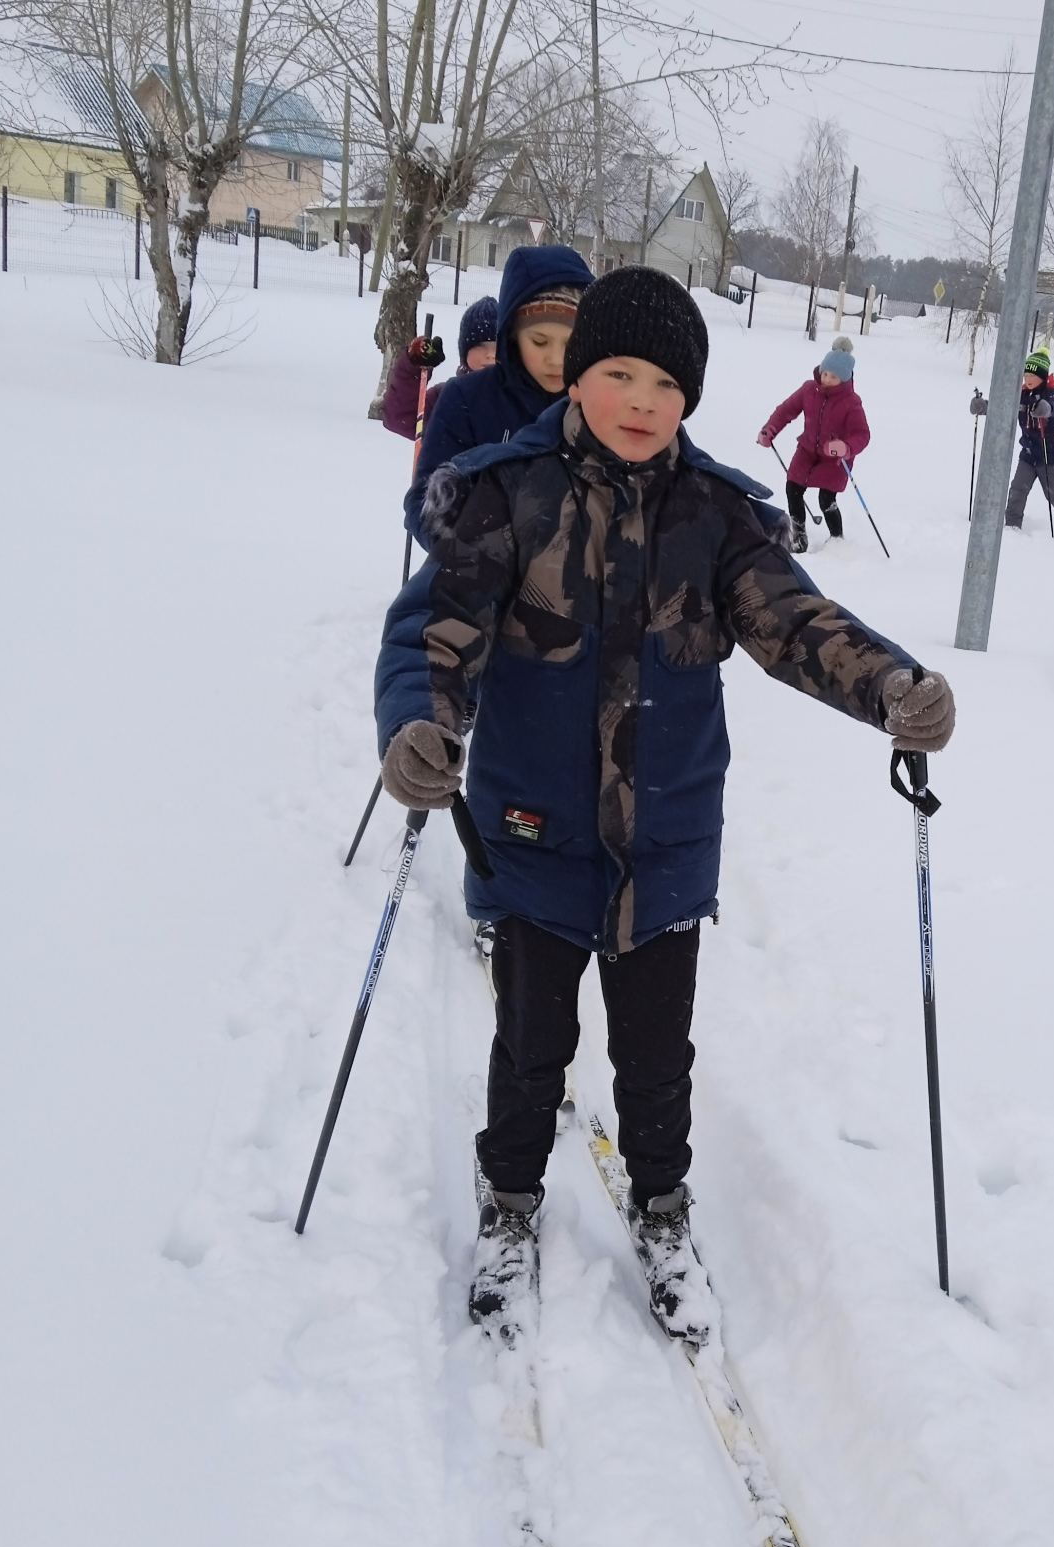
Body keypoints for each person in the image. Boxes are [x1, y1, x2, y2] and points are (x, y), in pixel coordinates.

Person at [374, 268, 955, 1337]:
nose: (642, 400)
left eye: (665, 384)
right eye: (617, 373)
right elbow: (434, 634)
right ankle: (509, 1205)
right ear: (576, 375)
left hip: (666, 834)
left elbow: (793, 621)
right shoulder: (504, 493)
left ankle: (662, 1207)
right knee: (528, 1047)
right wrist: (420, 724)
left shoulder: (717, 514)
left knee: (657, 1052)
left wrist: (890, 685)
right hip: (532, 833)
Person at [403, 244, 594, 547]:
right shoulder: (467, 399)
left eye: (570, 343)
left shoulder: (596, 402)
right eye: (540, 341)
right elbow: (424, 501)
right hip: (482, 581)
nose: (556, 360)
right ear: (513, 335)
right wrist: (470, 549)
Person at [756, 335, 871, 552]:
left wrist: (846, 448)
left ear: (844, 379)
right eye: (825, 373)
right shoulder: (809, 390)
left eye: (833, 377)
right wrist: (770, 429)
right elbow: (786, 410)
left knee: (826, 498)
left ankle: (837, 539)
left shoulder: (851, 402)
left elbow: (862, 434)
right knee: (793, 488)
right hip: (807, 450)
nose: (826, 379)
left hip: (835, 459)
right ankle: (799, 537)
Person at [379, 295, 499, 443]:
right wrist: (414, 370)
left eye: (498, 347)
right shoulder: (448, 397)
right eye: (480, 346)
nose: (490, 355)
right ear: (464, 353)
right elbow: (401, 418)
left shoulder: (522, 398)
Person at [1004, 348, 1054, 531]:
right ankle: (1012, 526)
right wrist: (984, 408)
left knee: (1052, 493)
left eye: (1033, 375)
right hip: (1030, 453)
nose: (1028, 379)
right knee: (1017, 489)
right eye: (1026, 374)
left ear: (1042, 376)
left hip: (1052, 454)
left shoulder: (1052, 392)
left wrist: (1046, 408)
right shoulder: (1021, 394)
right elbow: (1004, 407)